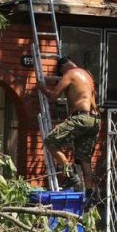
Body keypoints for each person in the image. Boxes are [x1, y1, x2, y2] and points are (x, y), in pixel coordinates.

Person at [40, 57, 99, 195]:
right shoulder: (88, 76)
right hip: (94, 120)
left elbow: (54, 97)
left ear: (62, 68)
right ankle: (90, 193)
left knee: (50, 141)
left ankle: (71, 175)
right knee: (84, 159)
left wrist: (43, 88)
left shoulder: (70, 74)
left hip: (80, 118)